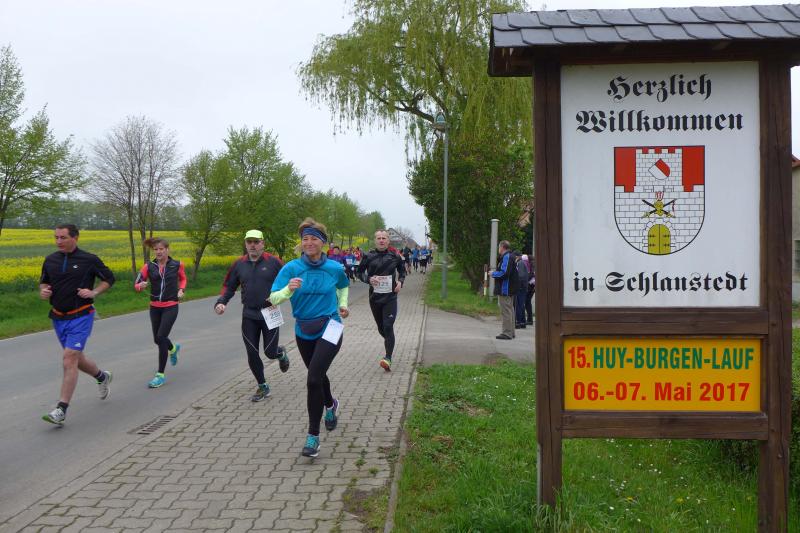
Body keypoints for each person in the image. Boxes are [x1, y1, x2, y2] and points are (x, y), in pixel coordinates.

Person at [270, 218, 350, 458]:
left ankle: (313, 437)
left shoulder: (334, 268)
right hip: (303, 329)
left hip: (331, 325)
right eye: (305, 239)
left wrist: (343, 304)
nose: (309, 243)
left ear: (323, 242)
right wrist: (288, 289)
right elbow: (273, 298)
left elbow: (343, 286)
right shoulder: (291, 268)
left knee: (313, 378)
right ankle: (330, 404)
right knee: (318, 375)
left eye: (314, 238)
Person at [40, 224, 115, 425]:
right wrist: (44, 291)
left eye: (63, 237)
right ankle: (101, 376)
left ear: (75, 238)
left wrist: (94, 292)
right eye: (56, 237)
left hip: (81, 315)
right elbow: (44, 281)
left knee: (69, 358)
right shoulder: (50, 259)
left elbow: (109, 278)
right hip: (58, 317)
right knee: (76, 359)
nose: (58, 241)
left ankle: (61, 409)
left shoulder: (89, 259)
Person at [214, 230, 289, 402]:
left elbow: (289, 281)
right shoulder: (239, 264)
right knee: (252, 353)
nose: (253, 245)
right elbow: (229, 286)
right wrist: (221, 302)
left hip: (270, 312)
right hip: (249, 314)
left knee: (270, 352)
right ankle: (263, 386)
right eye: (249, 242)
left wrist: (284, 295)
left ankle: (280, 354)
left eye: (256, 241)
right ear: (246, 244)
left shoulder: (274, 262)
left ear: (263, 243)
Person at [134, 237, 186, 388]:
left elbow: (183, 279)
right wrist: (140, 286)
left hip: (171, 305)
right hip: (155, 307)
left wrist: (181, 290)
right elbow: (137, 284)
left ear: (167, 250)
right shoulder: (148, 266)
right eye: (155, 249)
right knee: (157, 340)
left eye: (161, 249)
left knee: (161, 337)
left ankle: (160, 375)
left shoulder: (177, 264)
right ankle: (173, 348)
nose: (158, 252)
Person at [358, 229, 406, 371]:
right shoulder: (368, 256)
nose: (381, 240)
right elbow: (359, 272)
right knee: (382, 328)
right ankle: (389, 341)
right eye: (378, 238)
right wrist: (368, 279)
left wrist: (400, 282)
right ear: (375, 240)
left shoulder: (395, 256)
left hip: (390, 297)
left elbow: (402, 271)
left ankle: (388, 358)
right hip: (374, 298)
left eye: (384, 238)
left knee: (388, 326)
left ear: (388, 241)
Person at [490, 240, 518, 340]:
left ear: (502, 247)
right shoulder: (511, 256)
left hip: (505, 288)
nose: (498, 249)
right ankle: (511, 332)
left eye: (499, 247)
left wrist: (493, 273)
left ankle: (507, 333)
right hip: (510, 288)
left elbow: (504, 273)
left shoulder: (506, 257)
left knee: (506, 311)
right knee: (510, 310)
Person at [514, 252, 529, 329]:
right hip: (523, 286)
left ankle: (518, 322)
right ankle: (523, 322)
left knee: (518, 305)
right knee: (521, 304)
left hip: (520, 287)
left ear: (517, 256)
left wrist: (518, 286)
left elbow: (521, 275)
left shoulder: (520, 263)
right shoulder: (522, 262)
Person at [523, 255, 535, 325]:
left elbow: (531, 275)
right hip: (532, 286)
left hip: (530, 286)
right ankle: (529, 319)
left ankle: (529, 319)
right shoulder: (533, 264)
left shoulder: (531, 264)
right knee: (528, 302)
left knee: (526, 302)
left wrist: (525, 280)